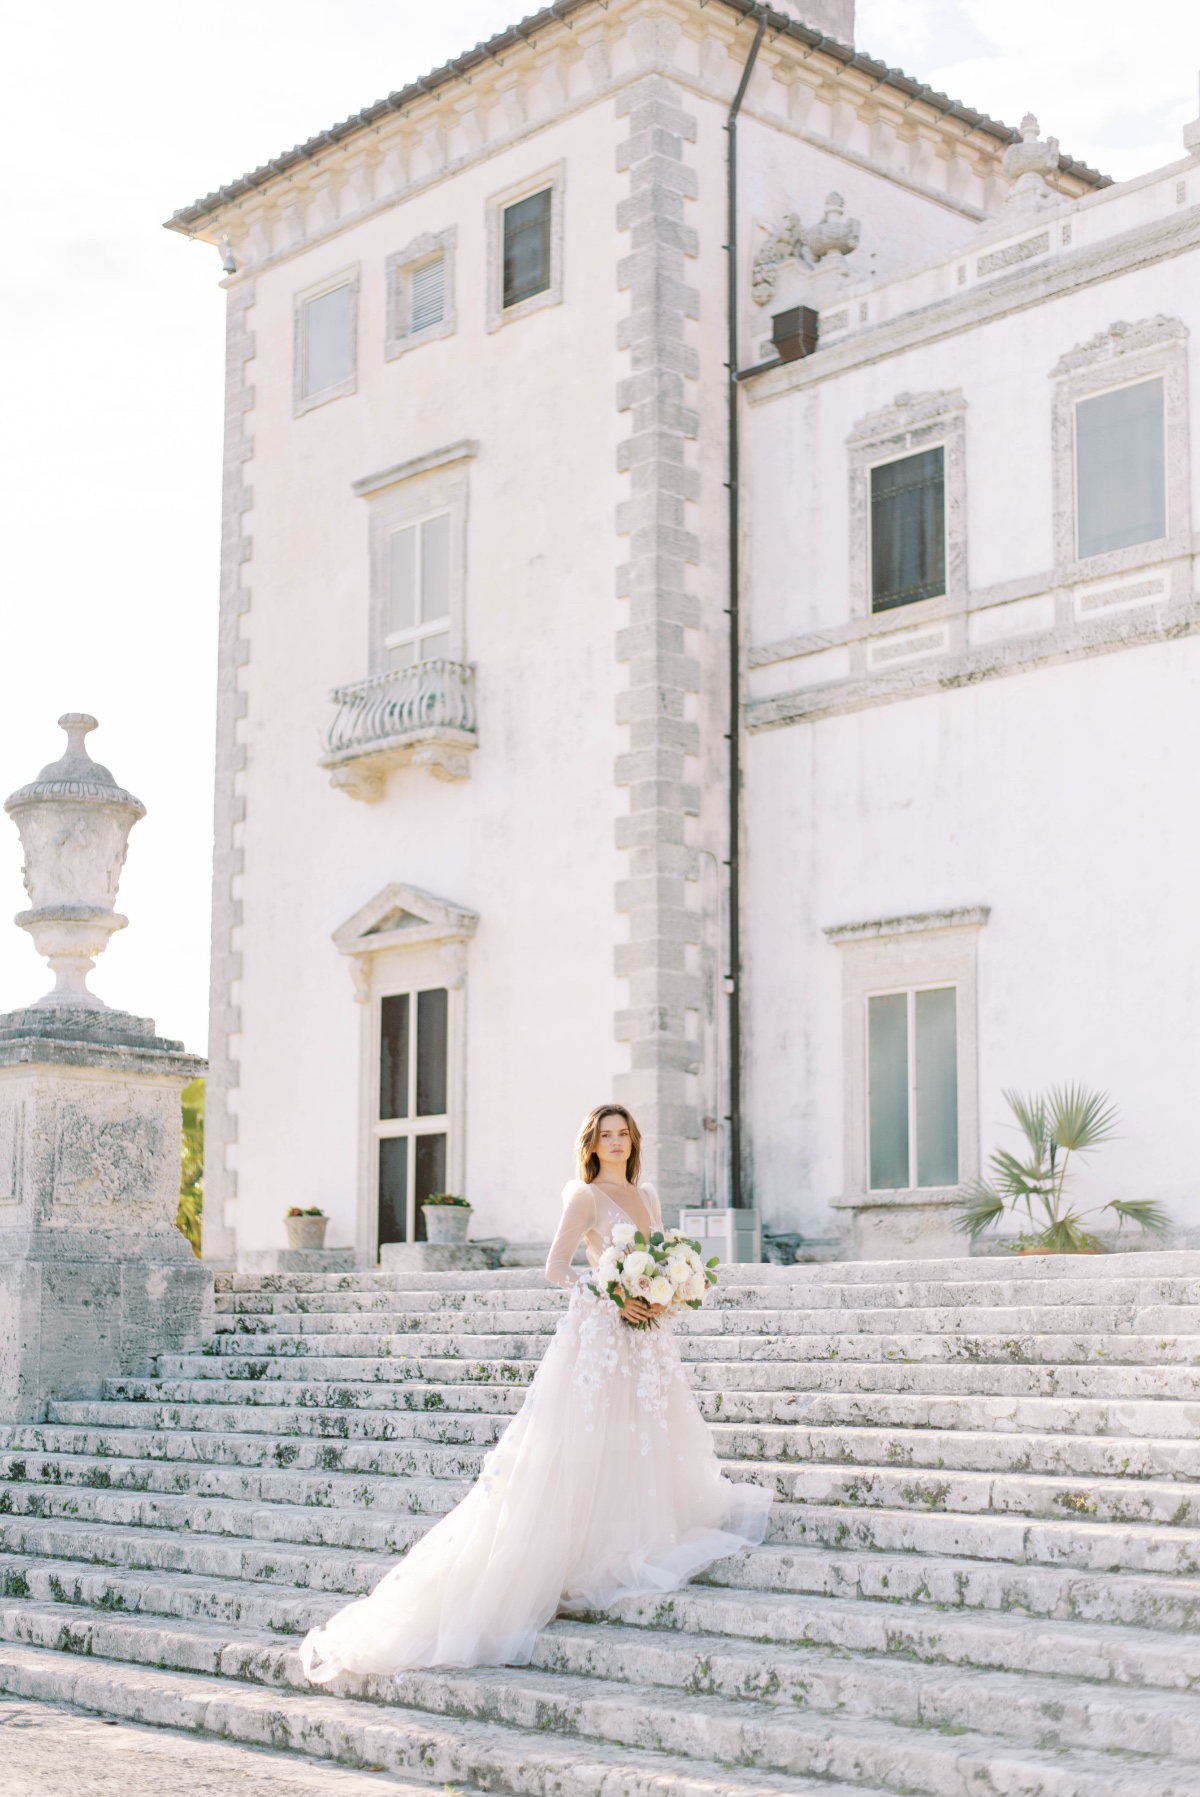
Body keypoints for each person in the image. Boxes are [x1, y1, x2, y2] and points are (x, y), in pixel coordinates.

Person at [299, 1104, 771, 1680]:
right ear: (592, 1144)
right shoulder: (586, 1197)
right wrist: (612, 1295)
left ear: (634, 1141)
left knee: (644, 1437)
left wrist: (666, 1291)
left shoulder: (647, 1197)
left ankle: (636, 1533)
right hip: (602, 1333)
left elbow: (660, 1257)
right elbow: (554, 1267)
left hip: (647, 1338)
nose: (616, 1143)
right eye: (606, 1135)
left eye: (624, 1135)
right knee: (580, 1446)